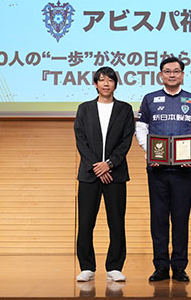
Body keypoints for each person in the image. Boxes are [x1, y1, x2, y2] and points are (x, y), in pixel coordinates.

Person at [135, 57, 191, 282]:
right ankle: (160, 267)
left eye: (176, 71)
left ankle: (179, 267)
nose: (172, 75)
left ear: (183, 75)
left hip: (183, 170)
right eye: (168, 71)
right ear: (161, 75)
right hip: (157, 169)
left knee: (180, 219)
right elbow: (141, 128)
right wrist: (150, 151)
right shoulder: (150, 99)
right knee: (158, 219)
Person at [74, 66, 135, 283]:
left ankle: (115, 267)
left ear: (115, 84)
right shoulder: (84, 109)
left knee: (116, 222)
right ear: (95, 84)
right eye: (101, 80)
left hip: (115, 174)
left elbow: (126, 141)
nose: (106, 83)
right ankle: (86, 266)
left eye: (110, 79)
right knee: (85, 222)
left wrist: (109, 164)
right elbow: (81, 140)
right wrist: (97, 167)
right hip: (89, 175)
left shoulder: (125, 109)